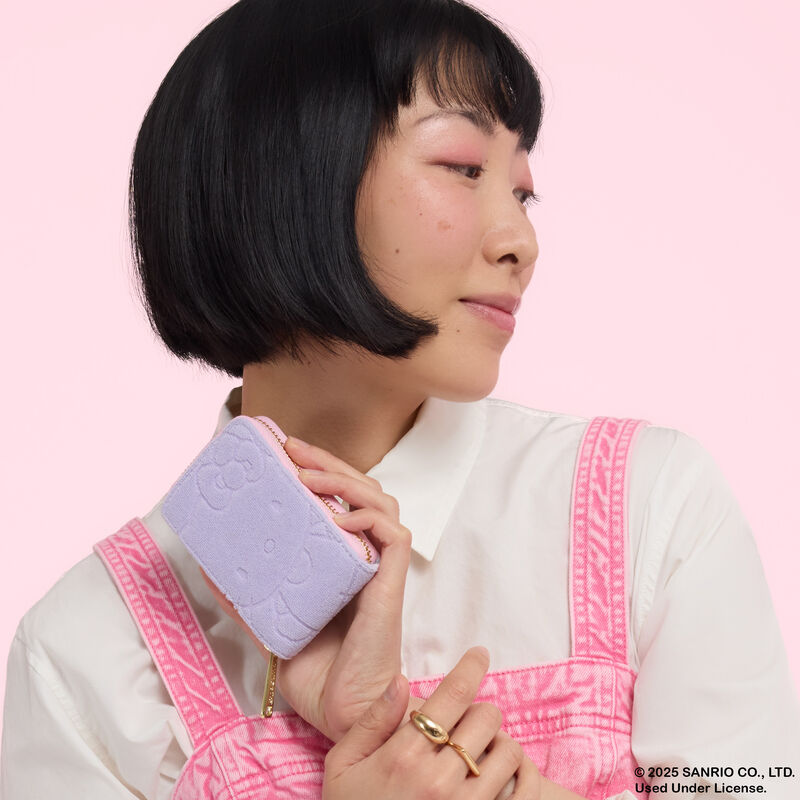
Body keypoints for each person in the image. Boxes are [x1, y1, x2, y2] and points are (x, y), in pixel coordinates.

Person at [2, 0, 798, 797]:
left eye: (522, 192)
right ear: (286, 178)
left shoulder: (649, 507)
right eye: (463, 168)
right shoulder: (87, 656)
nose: (520, 243)